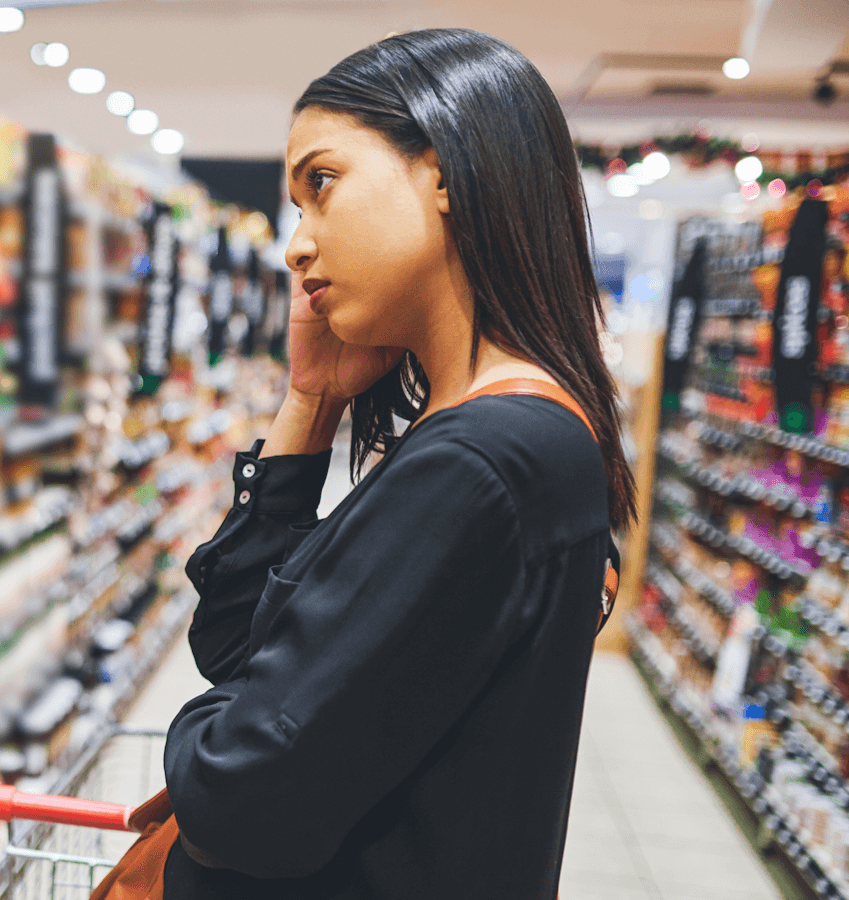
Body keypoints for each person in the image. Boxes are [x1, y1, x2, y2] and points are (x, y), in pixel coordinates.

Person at [161, 29, 634, 899]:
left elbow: (236, 796)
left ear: (445, 169)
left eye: (322, 185)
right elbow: (234, 643)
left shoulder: (482, 464)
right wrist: (310, 402)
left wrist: (203, 733)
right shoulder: (502, 435)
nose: (297, 244)